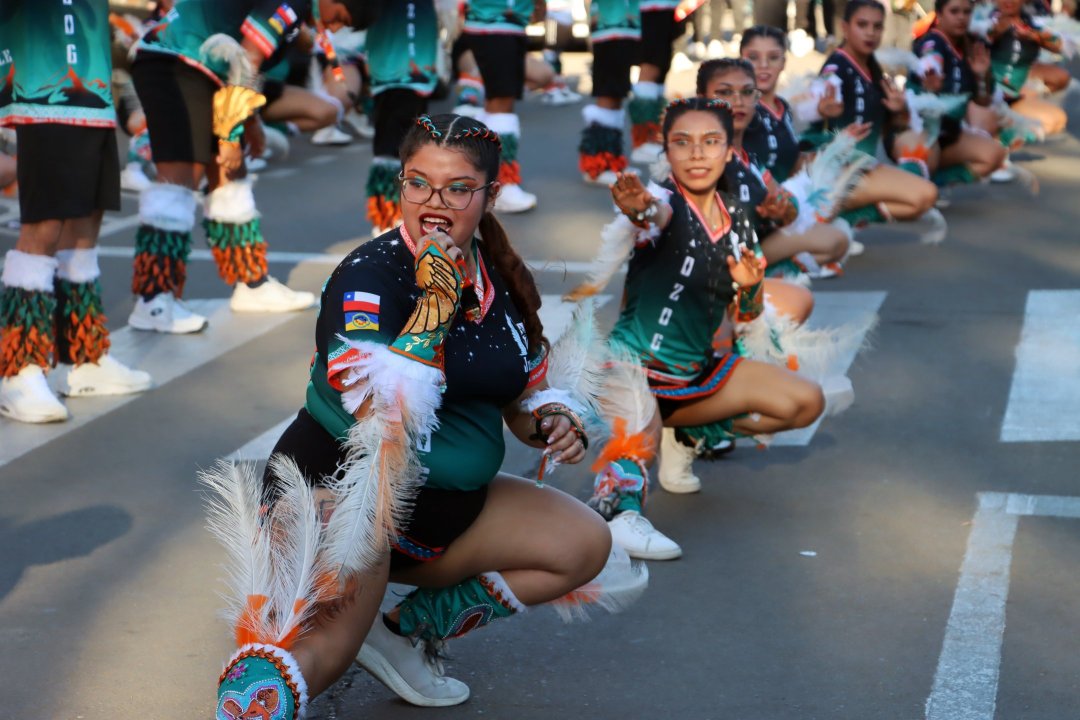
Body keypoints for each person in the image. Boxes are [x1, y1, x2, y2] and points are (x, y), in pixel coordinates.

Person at [208, 113, 618, 718]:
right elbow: (379, 410)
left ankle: (400, 630)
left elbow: (522, 393)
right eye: (417, 183)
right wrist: (433, 306)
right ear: (399, 184)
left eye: (457, 189)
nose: (433, 202)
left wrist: (552, 421)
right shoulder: (369, 276)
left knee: (585, 543)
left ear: (490, 195)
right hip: (349, 496)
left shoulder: (497, 275)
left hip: (445, 512)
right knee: (314, 658)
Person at [569, 98, 825, 559]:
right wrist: (639, 210)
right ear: (666, 151)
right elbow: (653, 216)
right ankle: (619, 513)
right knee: (632, 446)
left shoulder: (737, 217)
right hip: (633, 367)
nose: (696, 154)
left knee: (806, 402)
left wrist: (750, 288)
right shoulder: (665, 201)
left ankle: (686, 431)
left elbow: (745, 318)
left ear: (730, 151)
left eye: (710, 143)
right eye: (682, 143)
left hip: (695, 373)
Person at [126, 0, 366, 333]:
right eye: (341, 16)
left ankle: (250, 283)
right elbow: (249, 57)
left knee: (230, 176)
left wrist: (248, 122)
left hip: (204, 69)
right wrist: (230, 135)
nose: (337, 28)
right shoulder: (291, 4)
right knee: (181, 178)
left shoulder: (298, 18)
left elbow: (246, 64)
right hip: (174, 60)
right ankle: (153, 300)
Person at [0, 0, 151, 424]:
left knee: (87, 218)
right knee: (44, 222)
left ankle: (82, 358)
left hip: (90, 75)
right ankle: (18, 370)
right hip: (41, 77)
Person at [699, 57, 853, 279]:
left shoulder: (749, 159)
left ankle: (766, 279)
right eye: (724, 92)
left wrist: (780, 212)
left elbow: (785, 201)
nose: (738, 101)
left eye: (747, 92)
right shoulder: (699, 156)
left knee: (835, 239)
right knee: (800, 302)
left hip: (749, 254)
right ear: (702, 99)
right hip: (713, 268)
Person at [797, 1, 942, 234]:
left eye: (877, 26)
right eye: (862, 25)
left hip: (863, 165)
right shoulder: (836, 68)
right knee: (924, 195)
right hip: (836, 171)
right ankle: (828, 216)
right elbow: (808, 110)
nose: (870, 33)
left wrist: (898, 111)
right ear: (845, 28)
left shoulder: (873, 69)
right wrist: (819, 111)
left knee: (925, 176)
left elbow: (893, 127)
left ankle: (846, 220)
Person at [909, 0, 1008, 185]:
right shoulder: (932, 43)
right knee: (922, 162)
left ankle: (935, 185)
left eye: (966, 11)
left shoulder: (972, 45)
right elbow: (931, 60)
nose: (961, 17)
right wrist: (930, 76)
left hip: (951, 132)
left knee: (994, 154)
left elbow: (983, 101)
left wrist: (980, 76)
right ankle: (912, 186)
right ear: (939, 14)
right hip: (920, 132)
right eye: (954, 11)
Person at [458, 0, 543, 212]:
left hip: (508, 24)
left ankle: (485, 179)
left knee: (500, 101)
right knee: (502, 102)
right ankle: (501, 185)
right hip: (492, 22)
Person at [364, 0, 440, 237]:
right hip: (393, 69)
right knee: (391, 148)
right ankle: (386, 217)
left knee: (413, 146)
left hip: (418, 68)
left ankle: (401, 215)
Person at [579, 0, 640, 185]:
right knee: (608, 94)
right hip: (608, 29)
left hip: (624, 29)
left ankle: (612, 162)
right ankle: (596, 167)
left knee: (616, 95)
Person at [984, 0, 1067, 137]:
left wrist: (1035, 37)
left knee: (1058, 120)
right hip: (990, 94)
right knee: (1049, 121)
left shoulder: (1030, 22)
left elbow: (1059, 46)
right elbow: (979, 40)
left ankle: (1003, 140)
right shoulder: (984, 21)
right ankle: (997, 142)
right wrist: (996, 32)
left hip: (1015, 93)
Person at [630, 0, 682, 163]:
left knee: (660, 66)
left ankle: (655, 137)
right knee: (650, 65)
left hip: (667, 7)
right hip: (650, 7)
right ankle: (643, 140)